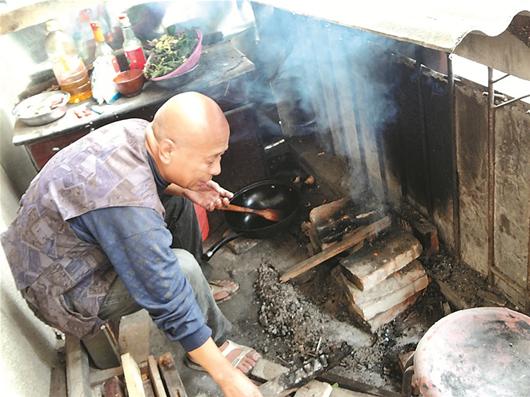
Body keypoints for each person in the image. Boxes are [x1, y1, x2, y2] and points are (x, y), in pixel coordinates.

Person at [1, 92, 263, 397]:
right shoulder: (127, 206)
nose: (217, 169)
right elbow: (164, 291)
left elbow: (145, 185)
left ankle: (199, 293)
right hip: (62, 286)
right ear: (167, 150)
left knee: (179, 204)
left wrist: (188, 189)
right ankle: (208, 350)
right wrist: (227, 378)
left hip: (67, 244)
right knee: (181, 270)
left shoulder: (142, 130)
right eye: (210, 159)